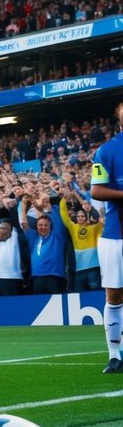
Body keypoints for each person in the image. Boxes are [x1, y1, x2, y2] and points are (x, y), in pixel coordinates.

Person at [90, 100, 123, 374]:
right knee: (114, 295)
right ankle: (114, 355)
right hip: (115, 236)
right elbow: (97, 191)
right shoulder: (107, 150)